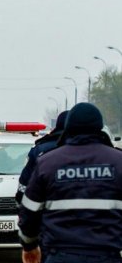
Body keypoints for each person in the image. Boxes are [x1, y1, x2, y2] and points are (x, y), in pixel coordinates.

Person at [19, 103, 122, 263]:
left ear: (68, 127)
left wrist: (29, 245)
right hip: (107, 254)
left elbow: (29, 212)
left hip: (59, 255)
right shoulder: (118, 162)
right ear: (100, 127)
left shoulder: (47, 163)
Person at [16, 110, 68, 206]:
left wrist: (20, 201)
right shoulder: (86, 149)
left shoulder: (40, 149)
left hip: (46, 211)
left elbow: (25, 181)